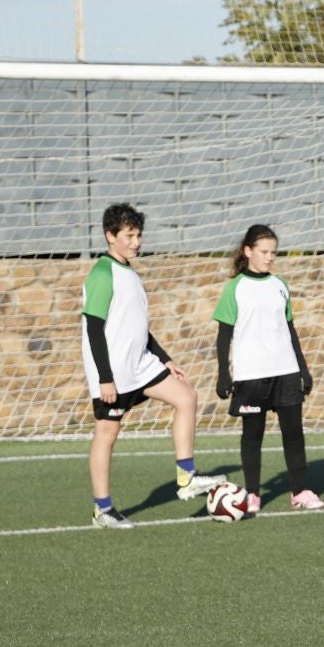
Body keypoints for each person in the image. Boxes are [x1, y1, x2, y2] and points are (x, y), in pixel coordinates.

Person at [80, 203, 224, 528]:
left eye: (138, 235)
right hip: (114, 372)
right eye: (129, 236)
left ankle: (186, 478)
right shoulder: (103, 273)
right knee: (107, 433)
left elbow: (137, 327)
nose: (136, 242)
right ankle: (103, 509)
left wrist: (164, 358)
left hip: (141, 365)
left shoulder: (129, 272)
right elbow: (93, 328)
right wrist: (105, 378)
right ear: (110, 236)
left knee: (186, 397)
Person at [213, 224, 322, 517]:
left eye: (273, 252)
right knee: (253, 435)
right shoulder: (235, 288)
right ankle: (252, 495)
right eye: (264, 252)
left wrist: (303, 369)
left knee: (294, 433)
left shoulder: (280, 285)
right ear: (247, 251)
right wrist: (223, 373)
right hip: (251, 375)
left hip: (285, 371)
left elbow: (290, 329)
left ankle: (300, 491)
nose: (270, 257)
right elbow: (223, 336)